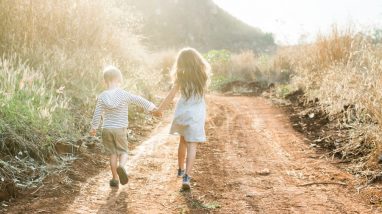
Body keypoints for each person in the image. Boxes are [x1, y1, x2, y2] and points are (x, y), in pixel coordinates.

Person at [90, 65, 161, 187]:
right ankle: (121, 167)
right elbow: (139, 100)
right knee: (123, 151)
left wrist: (94, 127)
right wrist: (152, 107)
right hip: (120, 129)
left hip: (106, 129)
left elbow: (97, 113)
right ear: (119, 80)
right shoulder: (123, 94)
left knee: (112, 154)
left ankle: (114, 179)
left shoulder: (102, 96)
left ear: (104, 81)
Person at [157, 47, 210, 190]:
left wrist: (160, 109)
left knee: (182, 140)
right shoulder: (202, 78)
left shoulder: (181, 78)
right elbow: (203, 98)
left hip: (182, 114)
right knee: (192, 145)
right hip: (196, 115)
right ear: (197, 61)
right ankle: (186, 177)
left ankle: (180, 169)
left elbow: (171, 96)